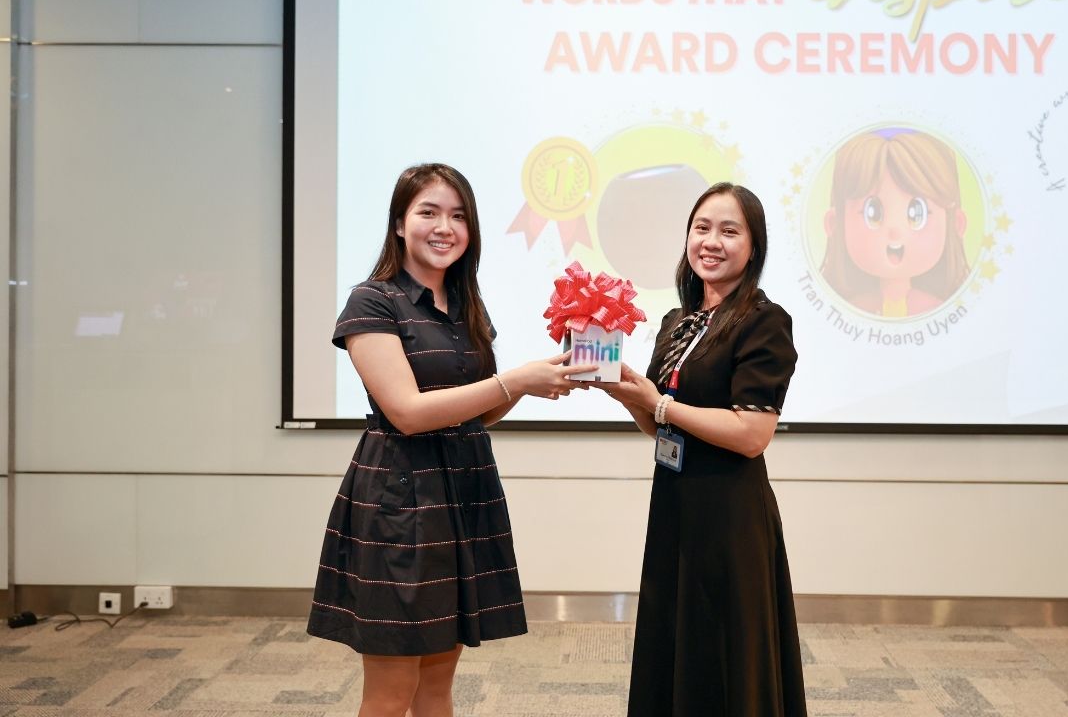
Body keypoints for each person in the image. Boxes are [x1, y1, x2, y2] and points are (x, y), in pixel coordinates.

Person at [307, 163, 596, 717]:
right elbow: (409, 414)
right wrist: (513, 380)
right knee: (391, 696)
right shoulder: (373, 302)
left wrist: (537, 381)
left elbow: (473, 415)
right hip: (401, 503)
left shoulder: (463, 305)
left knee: (437, 690)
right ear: (399, 224)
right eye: (428, 212)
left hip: (464, 496)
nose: (445, 227)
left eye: (458, 216)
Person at [596, 182, 808, 716]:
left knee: (724, 651)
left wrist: (661, 406)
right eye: (701, 228)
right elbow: (659, 426)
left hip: (730, 514)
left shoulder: (764, 320)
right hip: (674, 504)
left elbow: (751, 434)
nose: (711, 242)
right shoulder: (677, 322)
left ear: (753, 246)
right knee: (675, 641)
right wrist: (621, 390)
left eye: (729, 231)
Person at [820, 127, 969, 318]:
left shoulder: (941, 313)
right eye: (873, 213)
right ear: (834, 224)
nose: (895, 231)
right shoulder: (847, 312)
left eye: (916, 213)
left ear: (956, 223)